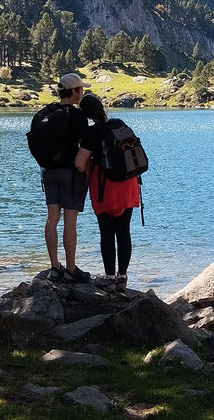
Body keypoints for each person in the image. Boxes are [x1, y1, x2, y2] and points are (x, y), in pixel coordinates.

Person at [75, 93, 140, 293]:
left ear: (85, 114)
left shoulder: (92, 133)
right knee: (124, 231)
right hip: (129, 184)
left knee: (107, 232)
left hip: (106, 188)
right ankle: (122, 277)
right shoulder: (119, 123)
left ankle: (109, 277)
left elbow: (79, 163)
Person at [41, 73, 92, 283]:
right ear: (74, 92)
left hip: (48, 171)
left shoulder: (47, 112)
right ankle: (71, 268)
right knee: (70, 222)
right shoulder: (78, 116)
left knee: (52, 218)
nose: (82, 93)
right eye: (81, 90)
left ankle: (54, 267)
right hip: (70, 174)